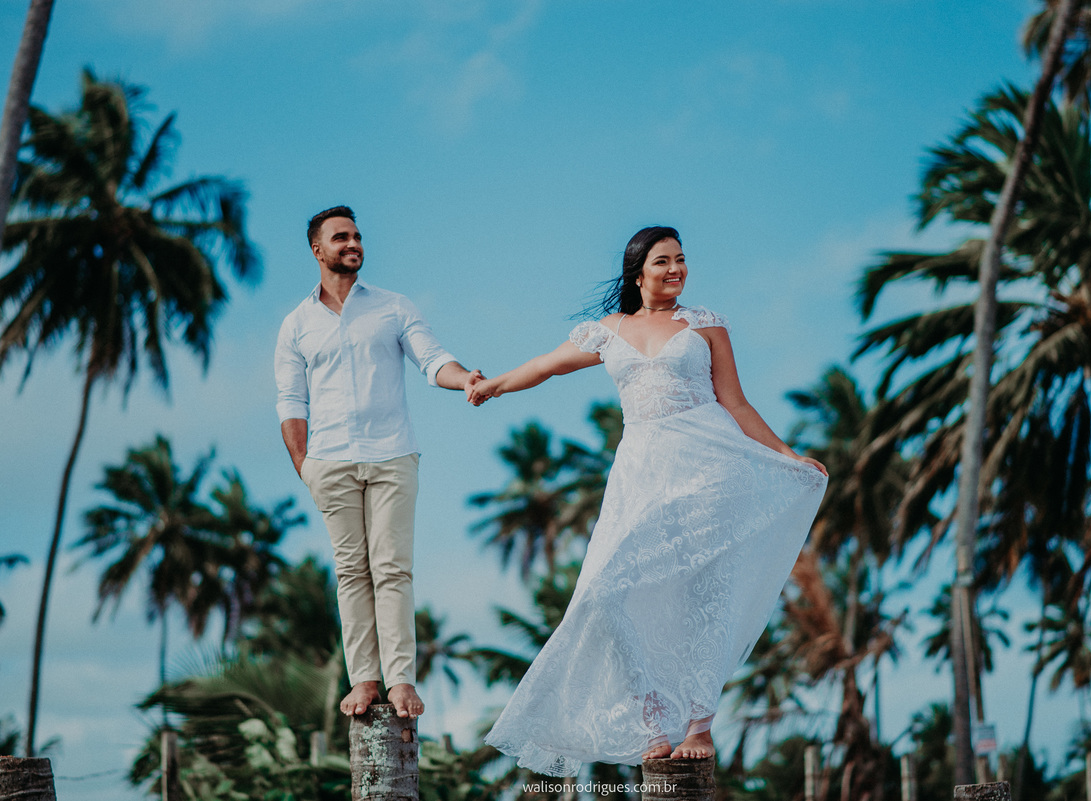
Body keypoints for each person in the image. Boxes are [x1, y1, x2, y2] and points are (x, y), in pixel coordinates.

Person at [468, 226, 828, 775]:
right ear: (638, 273)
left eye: (682, 259)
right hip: (641, 471)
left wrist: (786, 453)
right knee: (605, 592)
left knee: (702, 591)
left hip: (711, 465)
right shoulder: (607, 331)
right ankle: (654, 715)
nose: (676, 269)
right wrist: (493, 384)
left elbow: (734, 401)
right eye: (664, 261)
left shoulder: (704, 325)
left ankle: (699, 725)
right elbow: (543, 365)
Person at [275, 205, 482, 718]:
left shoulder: (392, 307)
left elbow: (433, 360)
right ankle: (364, 679)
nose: (353, 244)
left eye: (358, 236)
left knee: (391, 568)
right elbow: (290, 402)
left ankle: (400, 681)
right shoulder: (296, 324)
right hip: (330, 463)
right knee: (351, 572)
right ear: (317, 250)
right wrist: (305, 466)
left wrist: (466, 381)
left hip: (392, 455)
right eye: (341, 237)